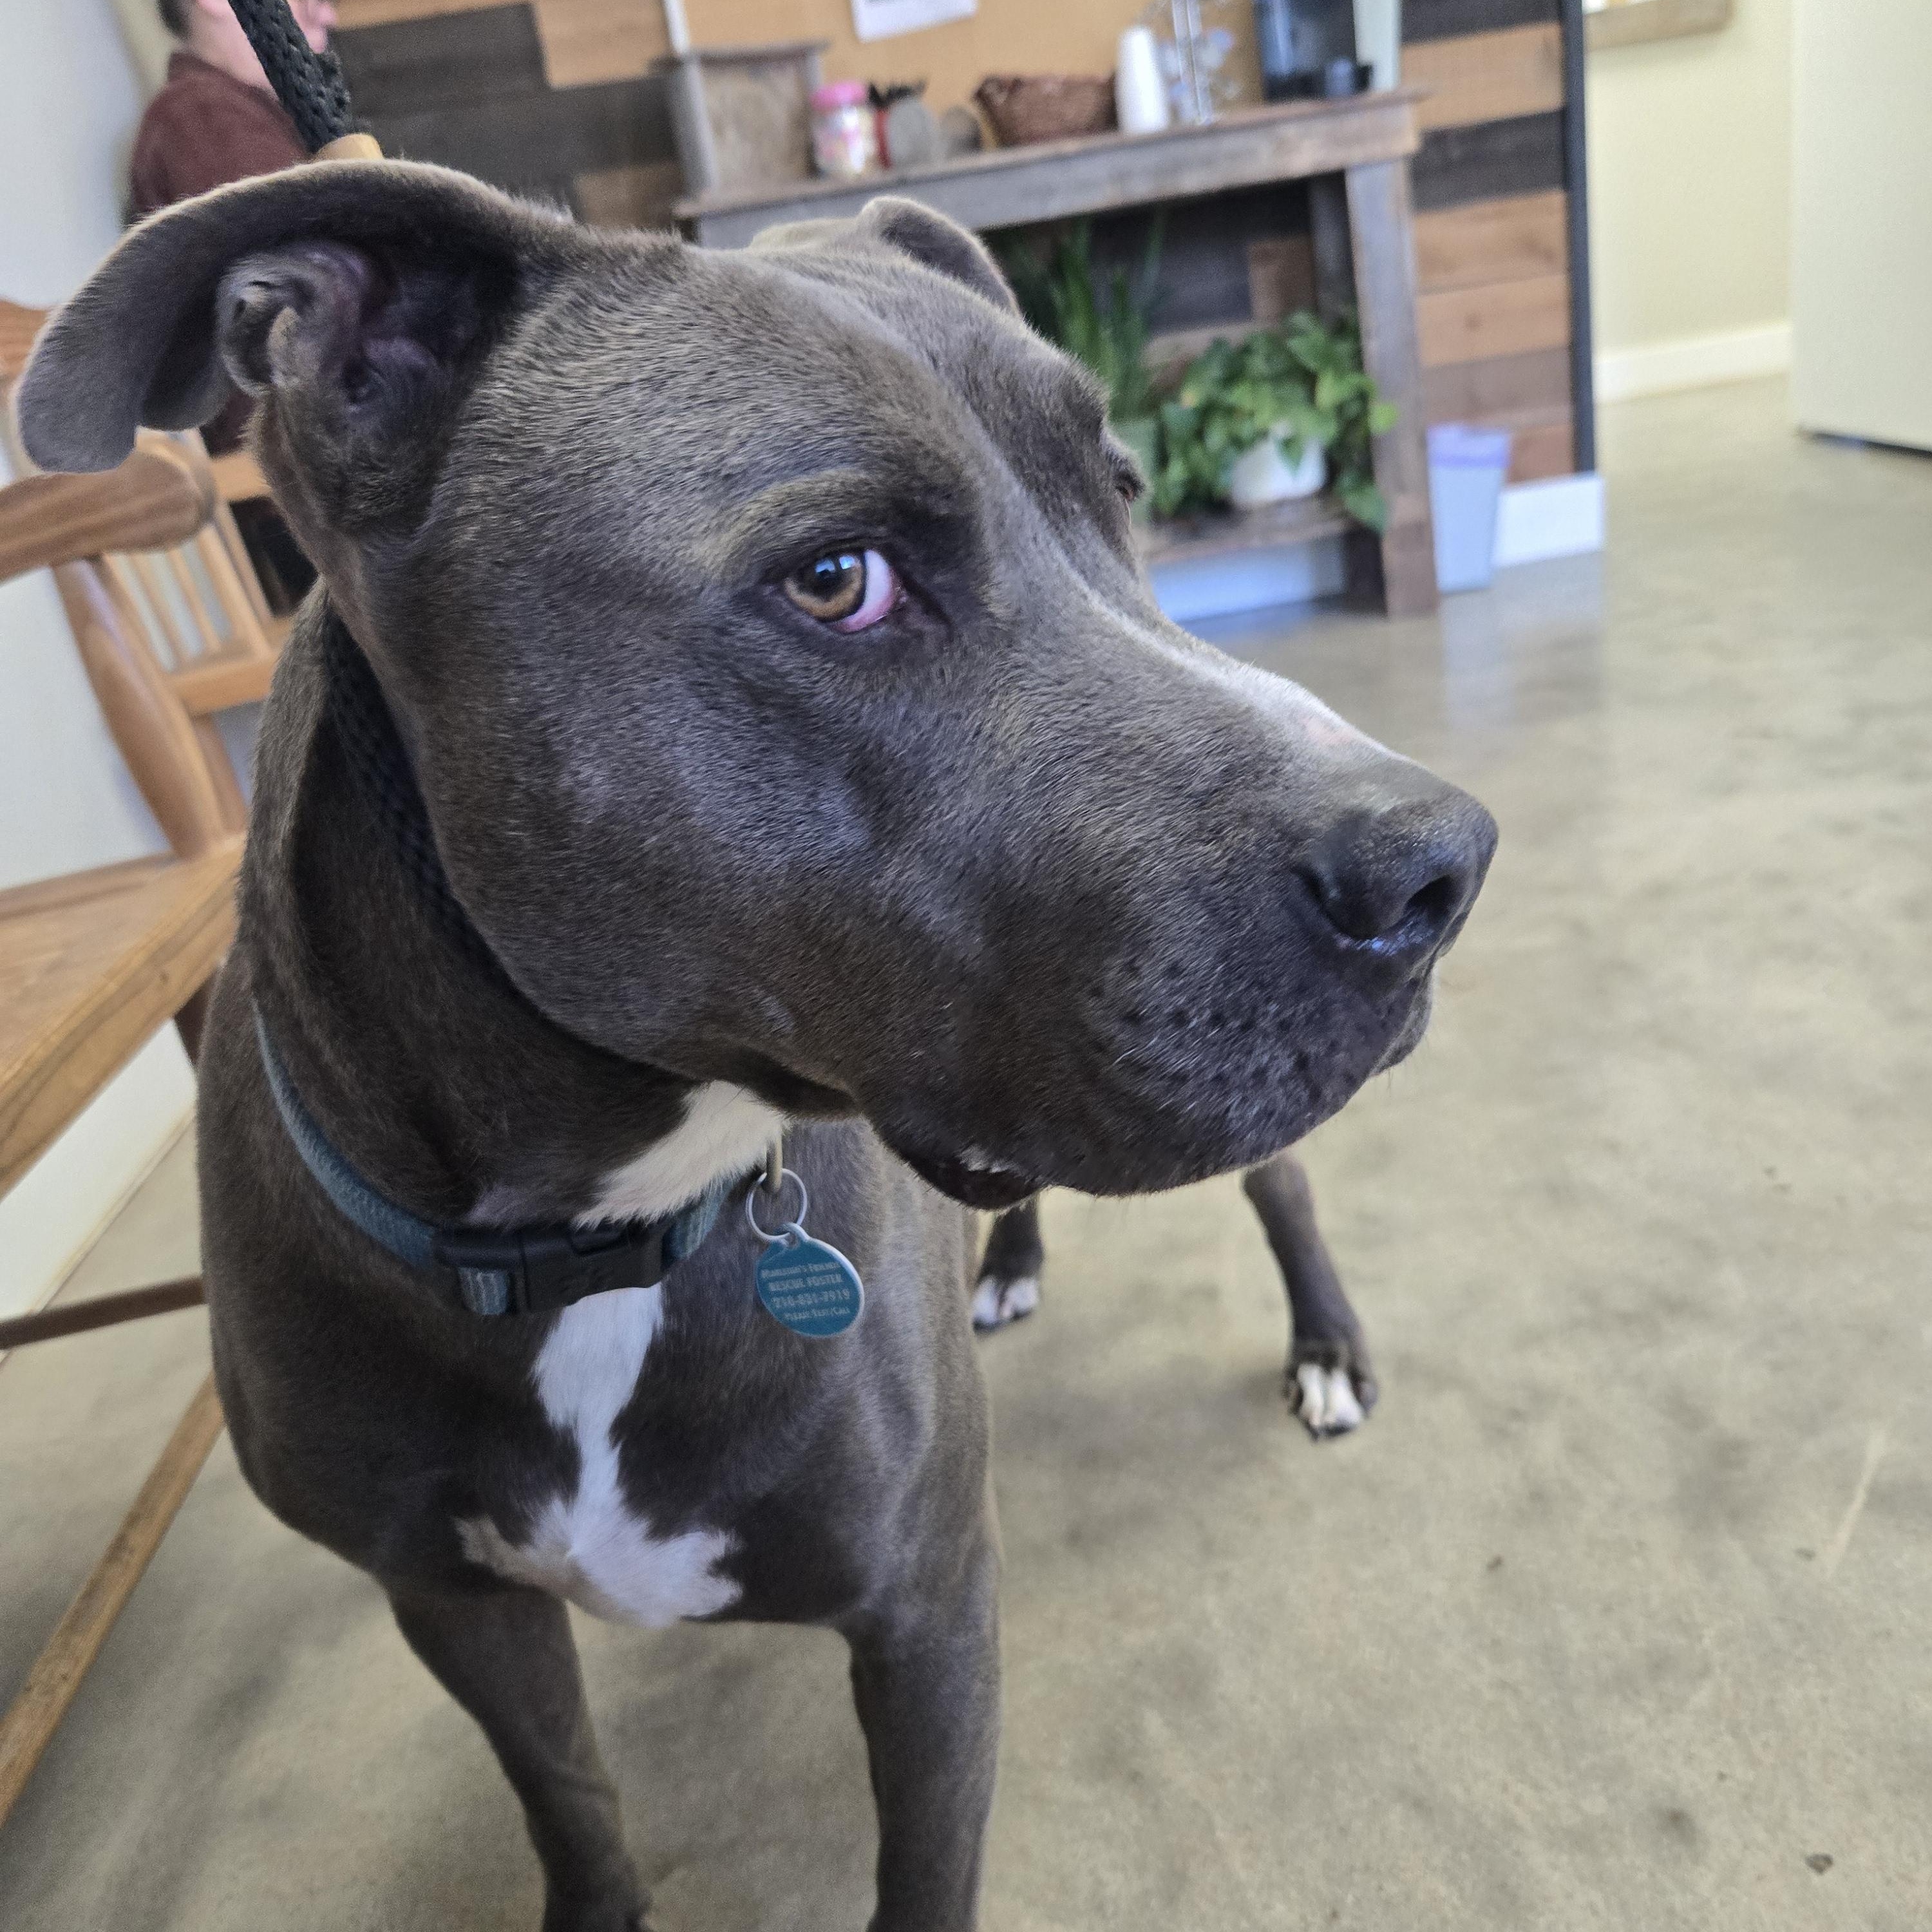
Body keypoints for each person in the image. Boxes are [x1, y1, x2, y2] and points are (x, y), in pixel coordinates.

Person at [131, 0, 340, 608]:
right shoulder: (200, 119)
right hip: (330, 512)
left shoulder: (226, 117)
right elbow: (317, 322)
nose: (327, 15)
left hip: (333, 495)